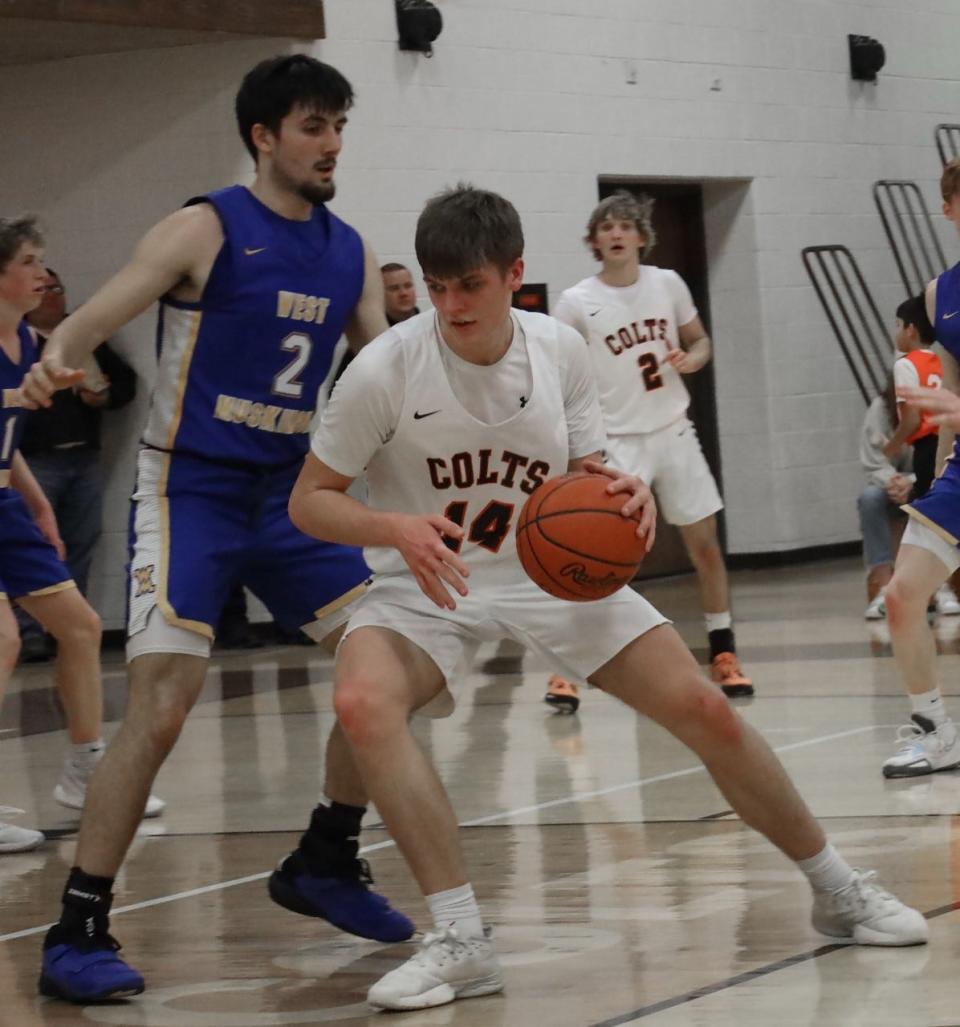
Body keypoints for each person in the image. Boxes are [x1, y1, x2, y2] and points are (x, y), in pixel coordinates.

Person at [285, 184, 926, 1012]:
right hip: (429, 580)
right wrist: (392, 526)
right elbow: (310, 499)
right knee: (362, 699)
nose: (449, 305)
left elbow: (590, 471)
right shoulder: (383, 368)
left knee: (709, 710)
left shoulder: (559, 349)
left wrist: (626, 495)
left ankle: (837, 888)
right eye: (437, 288)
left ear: (515, 274)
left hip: (550, 572)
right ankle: (463, 939)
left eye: (468, 286)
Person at [23, 55, 413, 1005]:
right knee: (162, 701)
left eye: (338, 127)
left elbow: (390, 372)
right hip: (188, 488)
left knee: (390, 665)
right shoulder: (204, 226)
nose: (331, 145)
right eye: (314, 127)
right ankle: (77, 925)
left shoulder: (350, 249)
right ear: (264, 136)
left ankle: (325, 855)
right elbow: (96, 311)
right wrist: (59, 357)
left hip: (292, 496)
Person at [545, 192, 753, 715]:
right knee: (599, 559)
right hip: (614, 441)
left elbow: (701, 341)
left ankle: (723, 653)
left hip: (672, 429)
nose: (615, 233)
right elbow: (557, 371)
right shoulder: (575, 301)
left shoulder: (668, 284)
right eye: (605, 226)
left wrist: (692, 358)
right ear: (594, 241)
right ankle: (565, 669)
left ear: (640, 236)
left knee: (704, 546)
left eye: (624, 225)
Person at [0, 217, 160, 854]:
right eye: (31, 261)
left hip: (6, 502)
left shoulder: (23, 337)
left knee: (82, 626)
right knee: (5, 638)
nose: (42, 273)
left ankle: (85, 767)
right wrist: (22, 392)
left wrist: (37, 504)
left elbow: (6, 444)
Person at [877, 157, 960, 779]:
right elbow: (951, 399)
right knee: (903, 598)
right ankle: (935, 733)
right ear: (949, 210)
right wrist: (935, 479)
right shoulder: (940, 294)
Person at [16, 267, 137, 662]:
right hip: (34, 459)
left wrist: (103, 398)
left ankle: (69, 626)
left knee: (81, 541)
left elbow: (125, 383)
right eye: (45, 289)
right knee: (35, 543)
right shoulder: (18, 341)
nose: (53, 296)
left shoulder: (82, 337)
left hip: (83, 457)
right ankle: (30, 630)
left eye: (58, 288)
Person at [859, 373, 914, 619]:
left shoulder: (936, 408)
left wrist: (913, 482)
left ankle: (941, 586)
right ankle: (883, 586)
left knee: (939, 496)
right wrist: (895, 481)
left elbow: (941, 457)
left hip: (924, 484)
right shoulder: (880, 409)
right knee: (869, 498)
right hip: (891, 486)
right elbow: (873, 462)